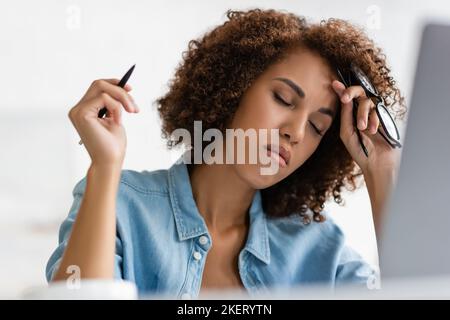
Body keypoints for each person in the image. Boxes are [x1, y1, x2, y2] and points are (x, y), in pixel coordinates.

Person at [46, 9, 406, 298]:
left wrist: (383, 171)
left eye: (316, 126)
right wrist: (105, 166)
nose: (295, 133)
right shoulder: (122, 205)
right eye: (283, 99)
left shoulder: (318, 249)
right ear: (233, 88)